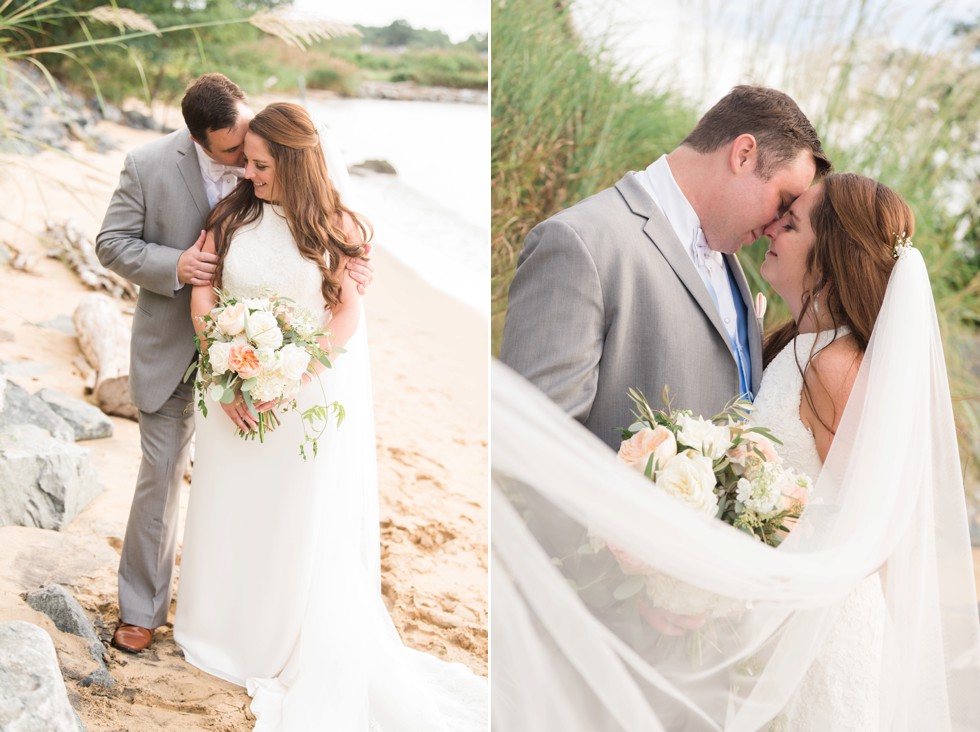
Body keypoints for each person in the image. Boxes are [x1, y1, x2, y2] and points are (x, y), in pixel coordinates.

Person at [491, 173, 980, 729]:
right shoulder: (793, 343)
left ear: (827, 257)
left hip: (815, 637)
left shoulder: (834, 364)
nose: (773, 228)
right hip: (770, 626)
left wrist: (735, 578)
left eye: (791, 224)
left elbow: (876, 529)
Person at [174, 102, 486, 731]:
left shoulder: (339, 227)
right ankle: (218, 629)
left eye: (261, 165)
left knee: (289, 519)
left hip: (297, 397)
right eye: (247, 162)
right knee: (225, 506)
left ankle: (272, 641)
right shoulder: (232, 212)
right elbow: (206, 287)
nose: (249, 173)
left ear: (294, 161)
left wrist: (290, 377)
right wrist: (227, 366)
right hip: (229, 392)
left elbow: (346, 315)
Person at [96, 73, 373, 654]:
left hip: (281, 373)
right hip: (178, 348)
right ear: (200, 140)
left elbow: (341, 298)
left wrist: (292, 366)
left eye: (255, 154)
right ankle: (143, 611)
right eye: (233, 154)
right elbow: (112, 244)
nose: (244, 166)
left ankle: (262, 619)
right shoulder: (149, 166)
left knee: (267, 496)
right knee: (161, 480)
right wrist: (180, 266)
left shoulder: (276, 156)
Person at [501, 85, 831, 450]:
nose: (775, 226)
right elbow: (531, 443)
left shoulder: (729, 261)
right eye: (783, 202)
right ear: (744, 155)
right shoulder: (582, 243)